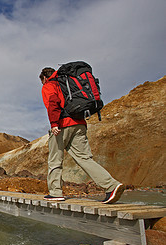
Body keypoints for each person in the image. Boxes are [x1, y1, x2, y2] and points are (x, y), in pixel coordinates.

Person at [39, 66, 125, 203]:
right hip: (80, 124)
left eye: (42, 81)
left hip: (62, 124)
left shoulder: (50, 85)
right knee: (85, 158)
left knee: (55, 160)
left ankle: (56, 193)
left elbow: (52, 102)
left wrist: (54, 124)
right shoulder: (68, 82)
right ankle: (111, 186)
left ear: (44, 77)